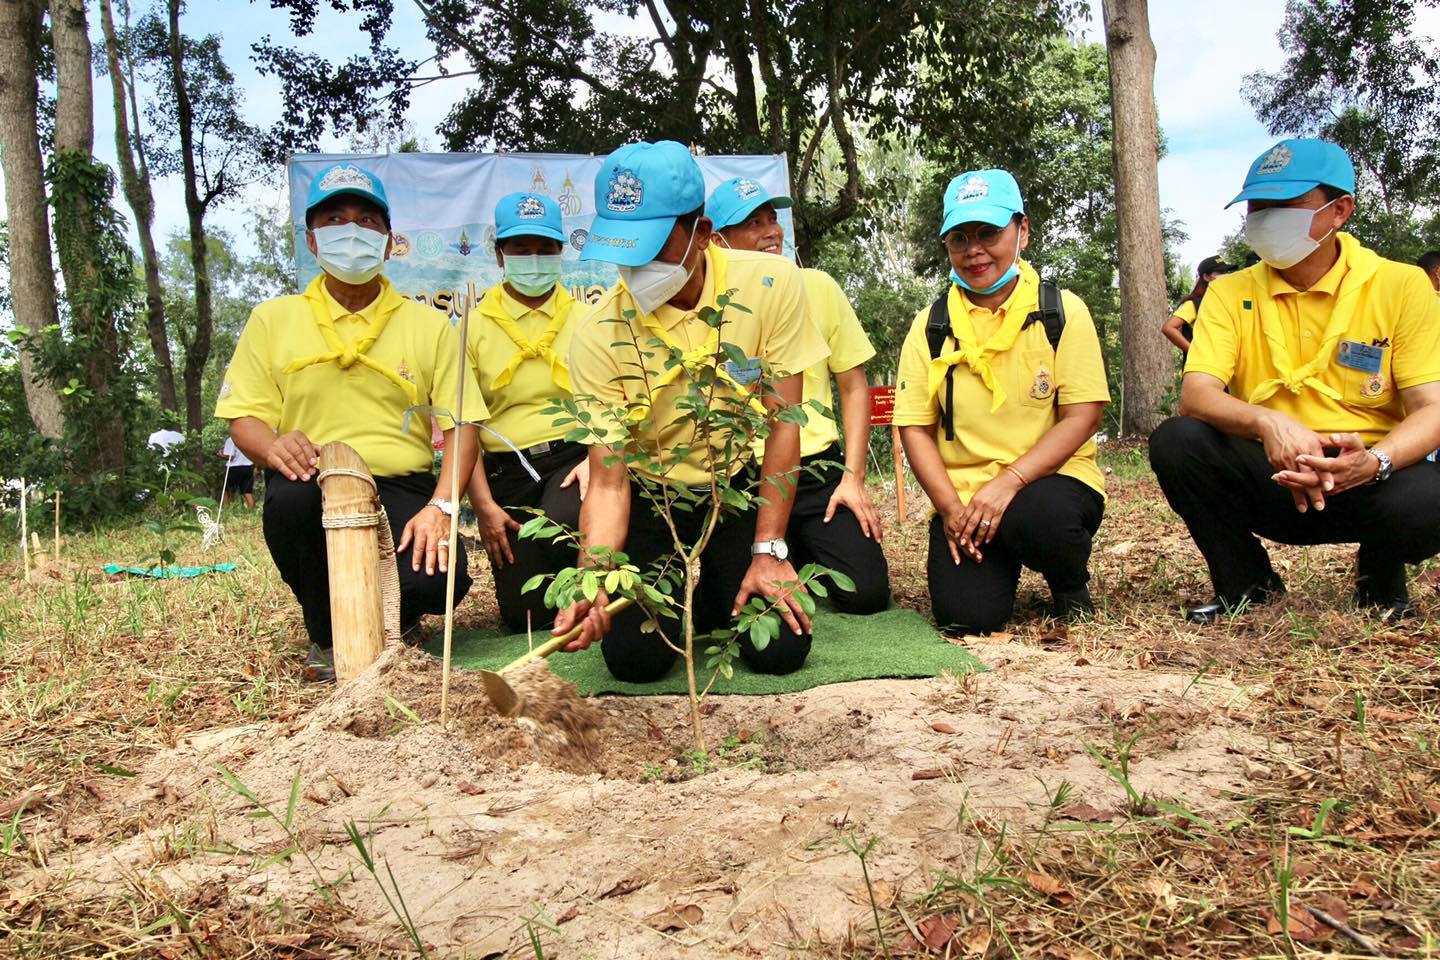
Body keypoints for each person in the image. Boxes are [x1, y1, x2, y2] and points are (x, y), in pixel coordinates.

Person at [553, 141, 830, 682]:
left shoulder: (770, 285)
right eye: (622, 249)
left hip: (733, 486)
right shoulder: (597, 333)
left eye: (651, 248)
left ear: (701, 233)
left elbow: (783, 424)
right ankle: (680, 593)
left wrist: (769, 549)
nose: (635, 267)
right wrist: (596, 577)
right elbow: (608, 481)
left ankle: (713, 588)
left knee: (780, 652)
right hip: (652, 493)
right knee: (636, 662)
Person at [1148, 139, 1440, 624]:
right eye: (1256, 207)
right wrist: (1268, 423)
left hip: (1366, 477)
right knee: (1178, 442)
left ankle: (1380, 576)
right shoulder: (1229, 293)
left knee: (1431, 497)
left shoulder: (1402, 286)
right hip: (1273, 474)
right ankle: (1246, 584)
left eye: (1284, 205)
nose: (1264, 217)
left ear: (1340, 210)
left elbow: (1432, 406)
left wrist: (1373, 463)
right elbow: (1196, 395)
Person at [216, 162, 486, 678]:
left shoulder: (429, 326)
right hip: (312, 481)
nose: (352, 231)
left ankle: (398, 621)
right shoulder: (272, 320)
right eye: (335, 219)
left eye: (367, 221)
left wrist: (443, 506)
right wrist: (272, 447)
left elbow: (463, 425)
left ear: (389, 242)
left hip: (401, 484)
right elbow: (243, 417)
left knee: (436, 582)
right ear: (313, 242)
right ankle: (328, 635)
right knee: (291, 504)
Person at [894, 169, 1110, 634]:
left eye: (989, 233)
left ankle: (1069, 583)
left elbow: (1083, 414)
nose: (974, 250)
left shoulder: (1061, 310)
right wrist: (950, 507)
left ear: (1023, 231)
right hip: (966, 500)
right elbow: (914, 426)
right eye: (959, 237)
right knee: (966, 618)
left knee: (1045, 517)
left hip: (1049, 485)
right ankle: (995, 561)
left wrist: (1009, 481)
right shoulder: (929, 325)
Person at [703, 176, 890, 614]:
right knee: (724, 606)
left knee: (866, 593)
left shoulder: (818, 286)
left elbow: (853, 384)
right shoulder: (708, 305)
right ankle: (772, 551)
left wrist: (853, 478)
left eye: (773, 219)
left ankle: (795, 547)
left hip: (815, 471)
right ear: (716, 240)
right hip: (740, 478)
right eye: (752, 223)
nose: (771, 231)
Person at [465, 191, 585, 632]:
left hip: (574, 461)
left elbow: (613, 405)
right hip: (507, 473)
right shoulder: (472, 328)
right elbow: (465, 429)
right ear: (500, 254)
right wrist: (483, 507)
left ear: (560, 253)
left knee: (565, 521)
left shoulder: (587, 319)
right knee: (525, 618)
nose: (533, 258)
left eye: (544, 249)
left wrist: (598, 460)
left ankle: (590, 592)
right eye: (520, 249)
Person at [1161, 256, 1234, 356]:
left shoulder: (1226, 302)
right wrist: (1196, 353)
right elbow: (1168, 328)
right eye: (1220, 272)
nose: (1225, 276)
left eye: (1227, 272)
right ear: (1206, 277)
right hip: (1203, 368)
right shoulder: (1194, 303)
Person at [218, 437, 256, 510]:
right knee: (247, 491)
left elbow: (231, 457)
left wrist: (220, 455)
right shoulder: (249, 439)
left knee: (226, 491)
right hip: (248, 467)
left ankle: (226, 510)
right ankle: (251, 511)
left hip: (234, 468)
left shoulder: (231, 439)